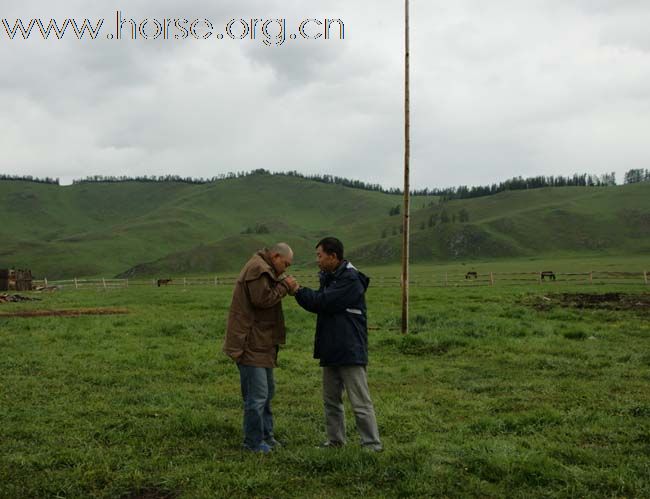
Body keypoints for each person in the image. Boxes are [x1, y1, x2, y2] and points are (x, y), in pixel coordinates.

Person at [293, 237, 382, 451]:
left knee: (359, 400)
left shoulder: (350, 280)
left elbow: (323, 302)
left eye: (320, 255)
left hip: (350, 349)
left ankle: (372, 444)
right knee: (331, 400)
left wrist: (297, 290)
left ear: (333, 256)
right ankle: (335, 441)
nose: (317, 260)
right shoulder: (331, 277)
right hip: (331, 347)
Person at [223, 243, 298, 453]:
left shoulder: (264, 268)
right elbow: (261, 299)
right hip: (250, 343)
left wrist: (282, 282)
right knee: (257, 397)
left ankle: (266, 436)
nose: (285, 269)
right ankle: (253, 442)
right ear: (275, 256)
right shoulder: (258, 268)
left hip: (262, 343)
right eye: (285, 264)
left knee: (266, 393)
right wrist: (284, 286)